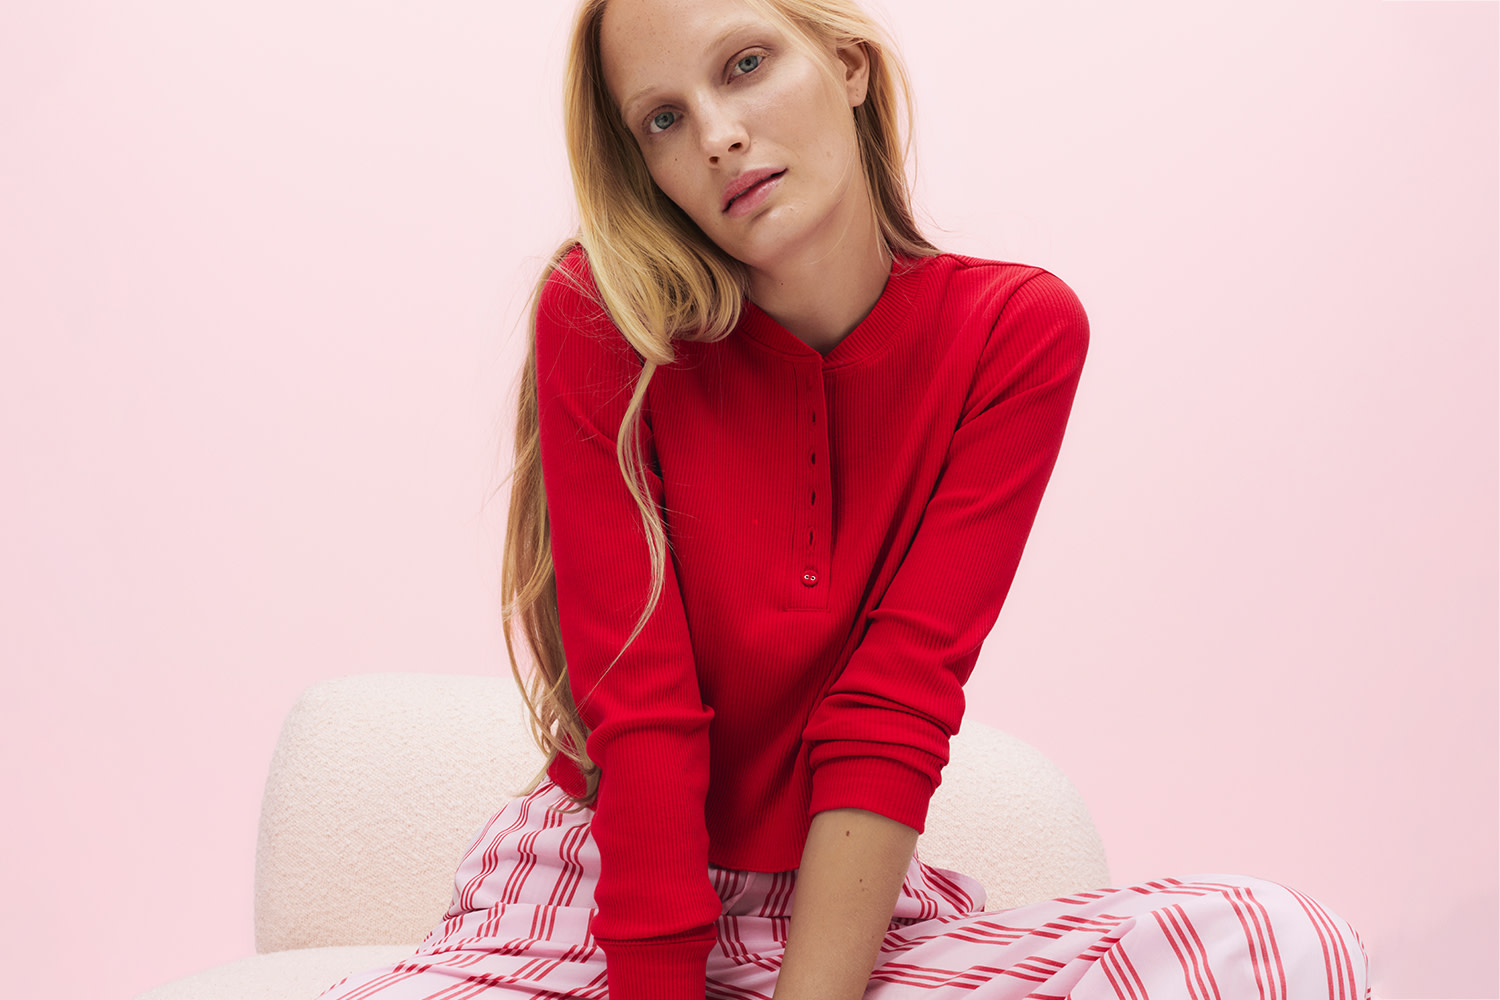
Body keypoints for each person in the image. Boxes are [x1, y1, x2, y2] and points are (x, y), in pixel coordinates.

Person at [317, 0, 1372, 997]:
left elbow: (895, 705)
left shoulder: (1014, 332)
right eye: (664, 120)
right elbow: (642, 719)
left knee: (1278, 935)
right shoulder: (602, 315)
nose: (719, 136)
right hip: (594, 906)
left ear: (849, 64)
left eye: (744, 64)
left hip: (848, 922)